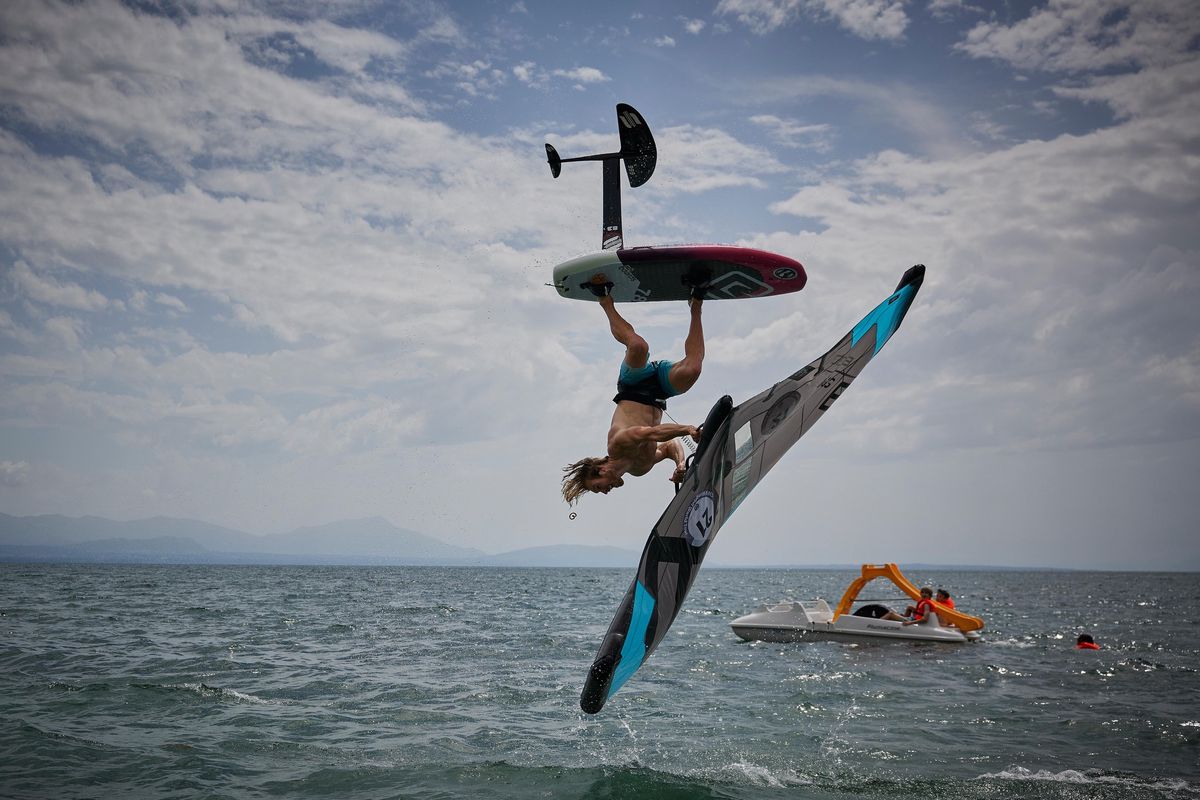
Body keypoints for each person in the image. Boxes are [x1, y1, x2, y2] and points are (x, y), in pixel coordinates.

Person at [561, 274, 707, 504]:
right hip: (659, 391)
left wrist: (688, 429)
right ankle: (696, 303)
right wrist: (680, 463)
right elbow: (668, 446)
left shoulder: (617, 444)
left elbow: (650, 433)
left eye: (598, 488)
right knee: (693, 370)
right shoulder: (641, 468)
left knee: (638, 346)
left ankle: (603, 298)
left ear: (601, 469)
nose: (606, 491)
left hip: (633, 384)